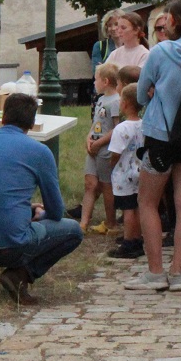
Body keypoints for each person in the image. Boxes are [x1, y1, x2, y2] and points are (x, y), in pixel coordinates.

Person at [123, 0, 181, 292]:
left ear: (172, 20)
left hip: (161, 133)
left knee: (148, 201)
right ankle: (177, 274)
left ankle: (155, 272)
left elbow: (140, 94)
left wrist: (153, 91)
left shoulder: (161, 51)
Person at [0, 93, 83, 305]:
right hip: (10, 246)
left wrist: (25, 208)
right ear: (32, 123)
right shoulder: (40, 152)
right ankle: (19, 274)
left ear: (3, 117)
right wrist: (39, 214)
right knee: (74, 231)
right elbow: (56, 210)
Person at [105, 83, 145, 260]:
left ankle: (128, 241)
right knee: (137, 206)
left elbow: (115, 152)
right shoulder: (144, 125)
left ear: (125, 103)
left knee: (127, 208)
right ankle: (137, 238)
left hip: (123, 173)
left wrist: (111, 165)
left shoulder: (121, 128)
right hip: (140, 169)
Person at [81, 62, 122, 234]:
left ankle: (111, 223)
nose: (94, 82)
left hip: (105, 150)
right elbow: (96, 123)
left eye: (96, 79)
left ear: (105, 81)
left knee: (106, 186)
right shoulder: (100, 100)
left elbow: (117, 128)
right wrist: (89, 138)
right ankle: (83, 223)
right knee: (90, 184)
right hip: (94, 148)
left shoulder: (116, 101)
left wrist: (99, 143)